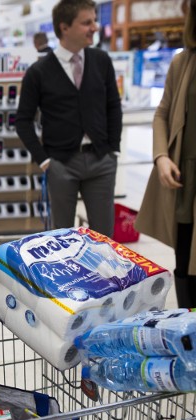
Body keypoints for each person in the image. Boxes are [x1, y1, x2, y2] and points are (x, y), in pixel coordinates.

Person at [15, 0, 122, 237]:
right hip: (61, 163)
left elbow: (113, 105)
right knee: (62, 237)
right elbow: (22, 120)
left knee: (105, 238)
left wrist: (113, 148)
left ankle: (103, 276)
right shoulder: (38, 72)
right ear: (64, 27)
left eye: (94, 20)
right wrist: (44, 161)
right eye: (87, 22)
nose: (95, 27)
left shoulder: (101, 61)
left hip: (101, 160)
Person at [135, 0, 196, 308]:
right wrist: (161, 155)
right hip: (186, 179)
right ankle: (191, 332)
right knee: (185, 260)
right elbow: (163, 113)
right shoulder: (183, 62)